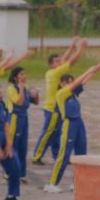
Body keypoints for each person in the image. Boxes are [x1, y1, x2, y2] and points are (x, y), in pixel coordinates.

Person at [45, 60, 100, 193]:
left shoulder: (72, 94)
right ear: (61, 84)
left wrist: (96, 70)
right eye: (68, 82)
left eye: (71, 81)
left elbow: (83, 82)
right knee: (64, 154)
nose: (71, 84)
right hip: (69, 124)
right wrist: (89, 70)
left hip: (79, 123)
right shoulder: (60, 94)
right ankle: (52, 183)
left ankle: (77, 182)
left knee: (81, 154)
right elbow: (78, 82)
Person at [32, 37, 85, 165]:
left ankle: (58, 157)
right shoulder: (54, 73)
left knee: (57, 134)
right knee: (48, 133)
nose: (60, 62)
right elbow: (71, 61)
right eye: (57, 61)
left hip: (58, 108)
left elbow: (64, 59)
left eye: (59, 60)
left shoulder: (52, 72)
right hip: (52, 109)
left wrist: (71, 46)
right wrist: (81, 48)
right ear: (51, 64)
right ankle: (36, 156)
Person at [7, 66, 32, 184]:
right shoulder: (12, 89)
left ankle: (22, 173)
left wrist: (35, 95)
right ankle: (9, 172)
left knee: (23, 147)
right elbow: (20, 102)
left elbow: (32, 102)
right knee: (13, 146)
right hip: (15, 119)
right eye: (21, 74)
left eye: (25, 74)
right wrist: (21, 88)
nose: (24, 76)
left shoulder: (25, 88)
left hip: (24, 118)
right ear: (15, 77)